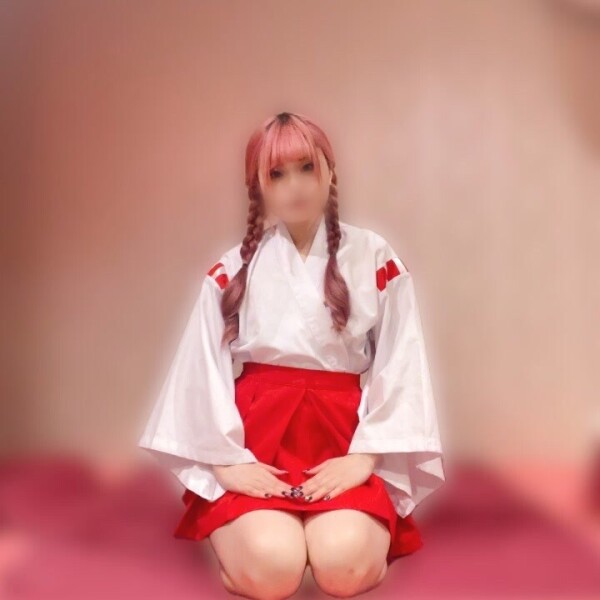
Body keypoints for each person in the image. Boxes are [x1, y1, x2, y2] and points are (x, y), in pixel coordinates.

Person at [138, 111, 445, 598]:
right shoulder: (233, 269)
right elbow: (200, 371)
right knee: (274, 568)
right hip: (256, 442)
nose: (295, 185)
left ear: (330, 170)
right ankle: (255, 548)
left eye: (307, 167)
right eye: (277, 174)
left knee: (343, 565)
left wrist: (365, 456)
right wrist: (227, 462)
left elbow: (400, 360)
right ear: (258, 188)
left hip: (342, 440)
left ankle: (326, 539)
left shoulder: (374, 256)